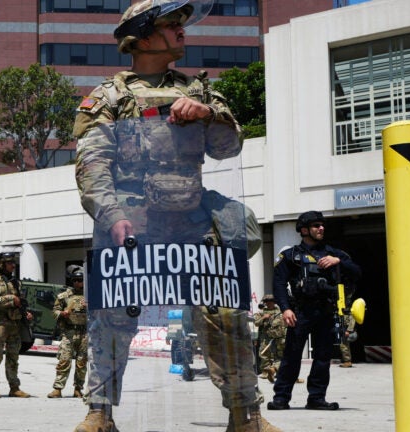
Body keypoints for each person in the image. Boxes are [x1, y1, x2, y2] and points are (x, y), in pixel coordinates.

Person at [74, 1, 279, 431]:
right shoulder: (107, 97)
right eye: (172, 25)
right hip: (133, 221)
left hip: (191, 219)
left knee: (225, 312)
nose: (183, 32)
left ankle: (246, 416)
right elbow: (92, 165)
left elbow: (228, 148)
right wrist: (111, 215)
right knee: (113, 316)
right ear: (143, 37)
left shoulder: (199, 92)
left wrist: (210, 115)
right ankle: (100, 413)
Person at [267, 211, 361, 411]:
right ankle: (281, 398)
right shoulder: (291, 255)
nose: (321, 228)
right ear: (304, 230)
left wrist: (338, 262)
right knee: (291, 356)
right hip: (300, 312)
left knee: (322, 357)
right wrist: (285, 309)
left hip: (326, 312)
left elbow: (357, 272)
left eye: (322, 225)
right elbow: (279, 283)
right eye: (316, 225)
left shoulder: (333, 253)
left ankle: (316, 398)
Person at [0, 252, 34, 399]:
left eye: (14, 263)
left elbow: (21, 302)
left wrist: (26, 313)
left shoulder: (15, 282)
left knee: (13, 357)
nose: (13, 265)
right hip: (0, 324)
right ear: (1, 264)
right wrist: (11, 299)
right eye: (10, 263)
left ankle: (14, 387)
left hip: (14, 324)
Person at [47, 265, 88, 399]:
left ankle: (78, 389)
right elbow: (54, 311)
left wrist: (91, 308)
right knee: (64, 361)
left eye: (80, 280)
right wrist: (61, 314)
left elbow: (99, 313)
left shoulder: (90, 296)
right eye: (75, 280)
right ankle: (58, 389)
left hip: (85, 334)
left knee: (82, 363)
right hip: (69, 332)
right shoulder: (64, 296)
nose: (78, 283)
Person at [254, 294, 285, 383]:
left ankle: (276, 371)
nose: (269, 303)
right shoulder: (261, 312)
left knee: (278, 354)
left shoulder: (279, 310)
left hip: (279, 336)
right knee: (264, 354)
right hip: (265, 336)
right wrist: (264, 318)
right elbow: (256, 323)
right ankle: (265, 372)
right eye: (267, 301)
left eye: (270, 301)